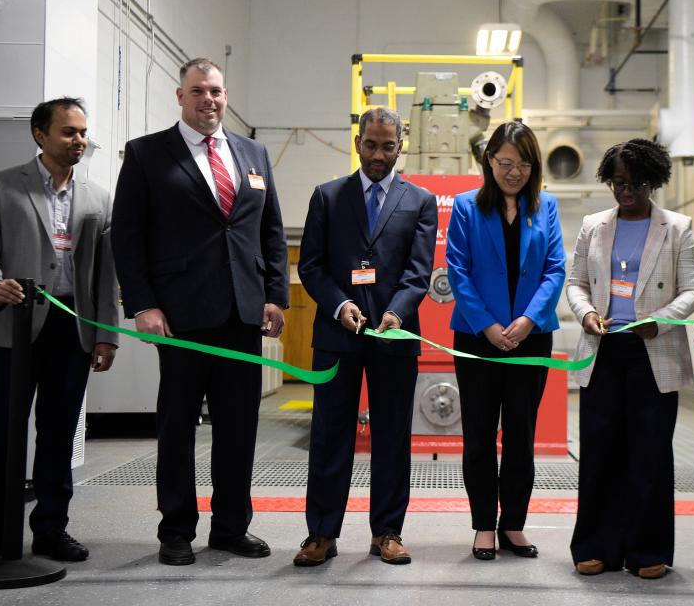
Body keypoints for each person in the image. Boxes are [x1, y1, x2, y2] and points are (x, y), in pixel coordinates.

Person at [111, 58, 289, 566]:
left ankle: (231, 528)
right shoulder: (147, 154)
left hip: (243, 315)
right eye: (197, 92)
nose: (207, 100)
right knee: (177, 428)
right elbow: (128, 236)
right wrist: (142, 304)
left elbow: (271, 231)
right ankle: (176, 532)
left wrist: (275, 295)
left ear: (225, 94)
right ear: (179, 96)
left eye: (214, 91)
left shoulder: (252, 153)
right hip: (181, 317)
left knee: (239, 428)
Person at [0, 97, 119, 562]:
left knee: (58, 431)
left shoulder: (98, 198)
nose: (79, 141)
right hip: (12, 328)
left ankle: (51, 529)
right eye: (69, 132)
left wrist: (107, 333)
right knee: (5, 430)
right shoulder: (2, 185)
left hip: (72, 330)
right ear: (40, 134)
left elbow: (105, 274)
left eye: (83, 133)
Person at [294, 107, 436, 567]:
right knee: (329, 434)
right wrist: (339, 305)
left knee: (392, 436)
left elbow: (418, 273)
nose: (379, 155)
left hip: (394, 339)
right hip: (337, 337)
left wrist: (396, 313)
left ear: (400, 146)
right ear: (357, 143)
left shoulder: (420, 201)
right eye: (371, 145)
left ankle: (388, 532)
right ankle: (321, 534)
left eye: (388, 146)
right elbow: (310, 265)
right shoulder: (327, 197)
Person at [566, 138, 694, 579]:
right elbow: (576, 282)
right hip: (603, 350)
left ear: (655, 182)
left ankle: (648, 551)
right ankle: (596, 547)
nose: (627, 192)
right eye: (618, 183)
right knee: (600, 453)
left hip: (653, 352)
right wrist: (586, 313)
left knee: (649, 455)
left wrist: (658, 322)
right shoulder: (593, 225)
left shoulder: (677, 228)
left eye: (638, 184)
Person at [445, 121, 565, 561]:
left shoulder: (545, 207)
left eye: (524, 164)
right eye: (506, 163)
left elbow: (555, 268)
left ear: (534, 167)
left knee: (521, 435)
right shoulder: (465, 207)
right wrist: (489, 325)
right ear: (489, 161)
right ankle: (482, 525)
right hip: (478, 339)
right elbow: (456, 269)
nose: (514, 172)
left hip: (531, 339)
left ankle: (512, 523)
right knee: (478, 436)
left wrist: (529, 319)